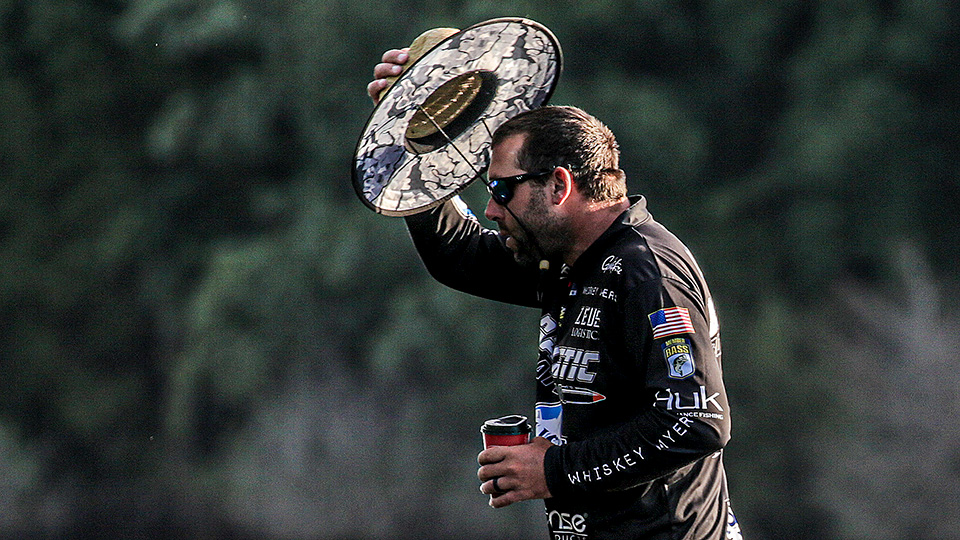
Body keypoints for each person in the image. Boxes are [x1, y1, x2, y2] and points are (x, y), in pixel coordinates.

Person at [368, 49, 743, 540]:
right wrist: (414, 137)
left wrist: (554, 470)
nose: (491, 209)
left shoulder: (645, 273)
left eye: (502, 190)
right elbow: (458, 254)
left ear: (559, 186)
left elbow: (697, 420)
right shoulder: (567, 261)